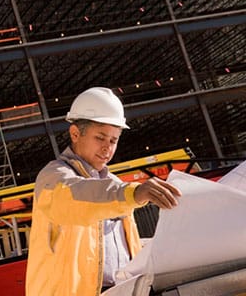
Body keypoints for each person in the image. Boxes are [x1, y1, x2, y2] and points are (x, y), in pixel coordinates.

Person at [25, 87, 181, 295]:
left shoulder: (114, 183)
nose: (107, 148)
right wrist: (132, 193)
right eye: (100, 138)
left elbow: (128, 247)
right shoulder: (53, 178)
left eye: (113, 140)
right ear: (75, 133)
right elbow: (79, 196)